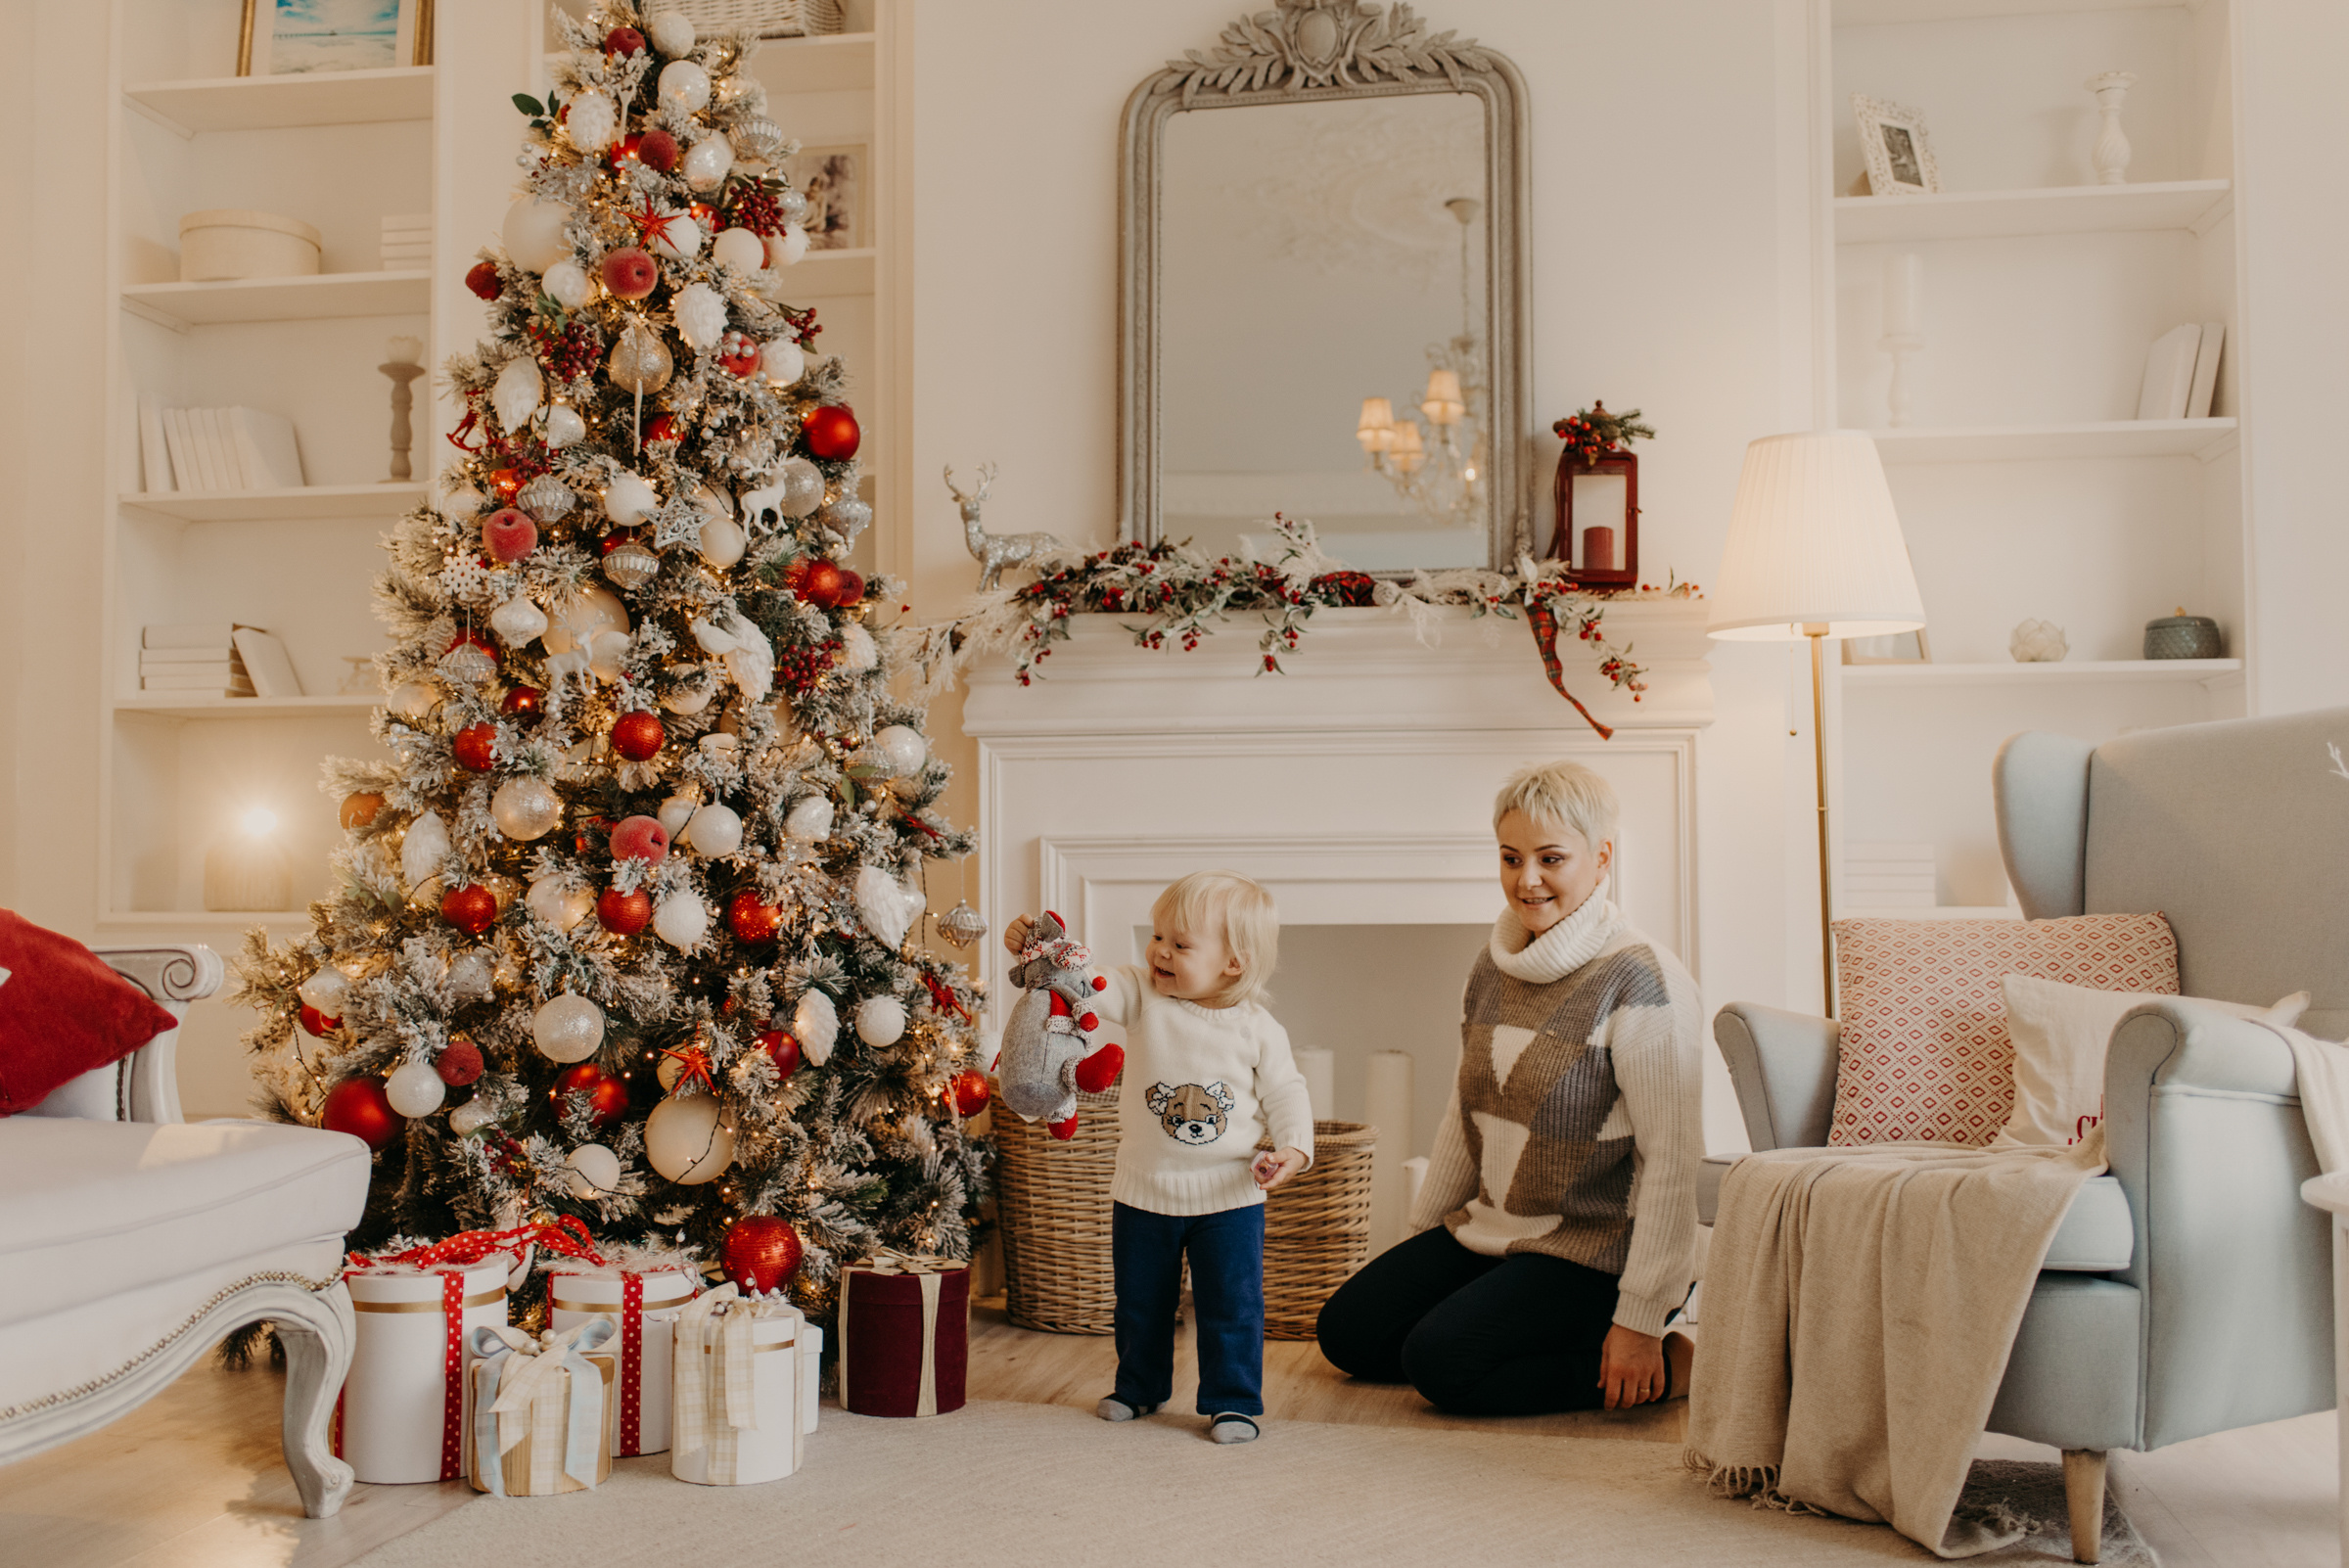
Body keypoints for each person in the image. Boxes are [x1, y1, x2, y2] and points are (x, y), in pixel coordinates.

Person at [1315, 761, 1703, 1414]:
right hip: (1495, 1232)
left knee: (1442, 1364)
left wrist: (1640, 1316)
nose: (1527, 880)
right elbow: (1467, 1110)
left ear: (1601, 858)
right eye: (1510, 857)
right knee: (1349, 1336)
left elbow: (1674, 1162)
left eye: (1552, 858)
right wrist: (1420, 1241)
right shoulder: (1492, 966)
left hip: (1593, 1252)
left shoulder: (1641, 980)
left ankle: (1669, 1361)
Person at [1004, 870, 1313, 1443]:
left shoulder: (1258, 1029)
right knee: (1141, 1303)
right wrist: (1037, 946)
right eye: (1157, 936)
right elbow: (1086, 982)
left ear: (1233, 963)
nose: (1159, 952)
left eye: (1180, 944)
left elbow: (1286, 1091)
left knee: (1232, 1306)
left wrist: (1293, 1146)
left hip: (1230, 1197)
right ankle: (1138, 1387)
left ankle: (1233, 1400)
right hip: (1144, 1190)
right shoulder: (1142, 992)